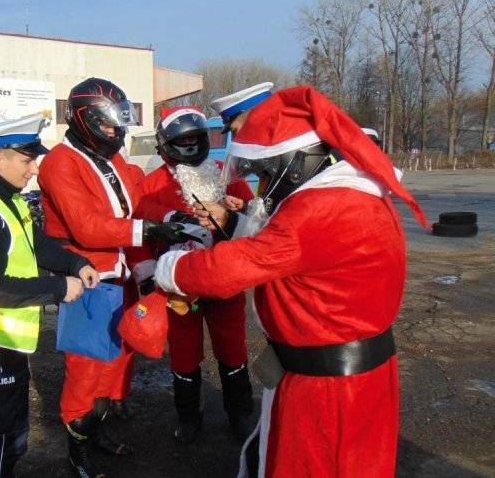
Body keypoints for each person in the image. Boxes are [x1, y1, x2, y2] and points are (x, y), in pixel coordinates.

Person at [155, 85, 428, 477]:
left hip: (328, 388)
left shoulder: (319, 207)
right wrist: (233, 221)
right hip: (351, 373)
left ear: (296, 163)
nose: (263, 185)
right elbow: (287, 250)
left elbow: (231, 268)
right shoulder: (349, 195)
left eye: (267, 172)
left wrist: (171, 266)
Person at [39, 77, 195, 477]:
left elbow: (140, 200)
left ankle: (97, 428)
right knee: (86, 365)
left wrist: (172, 215)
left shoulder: (111, 159)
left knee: (116, 357)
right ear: (85, 119)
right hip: (88, 278)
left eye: (118, 123)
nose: (117, 131)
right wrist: (148, 231)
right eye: (109, 124)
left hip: (121, 275)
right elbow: (87, 227)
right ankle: (77, 448)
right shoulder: (61, 162)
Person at [0, 113, 99, 477]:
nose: (34, 170)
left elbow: (37, 246)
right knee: (4, 437)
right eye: (27, 160)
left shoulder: (7, 199)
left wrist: (75, 263)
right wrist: (59, 288)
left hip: (3, 339)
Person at [140, 106, 255, 444]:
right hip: (179, 285)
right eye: (183, 140)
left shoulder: (226, 174)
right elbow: (139, 229)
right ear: (166, 143)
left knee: (233, 348)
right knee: (184, 351)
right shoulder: (152, 184)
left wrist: (239, 211)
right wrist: (146, 272)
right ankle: (188, 416)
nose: (190, 145)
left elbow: (251, 217)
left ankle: (240, 413)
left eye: (196, 138)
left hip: (225, 279)